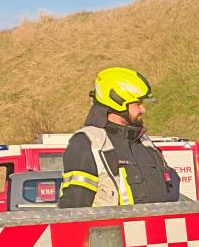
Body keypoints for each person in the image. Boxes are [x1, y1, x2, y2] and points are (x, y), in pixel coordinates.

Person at [59, 67, 180, 207]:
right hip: (112, 223)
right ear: (117, 102)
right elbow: (74, 209)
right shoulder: (88, 144)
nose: (143, 110)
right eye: (138, 104)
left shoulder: (144, 141)